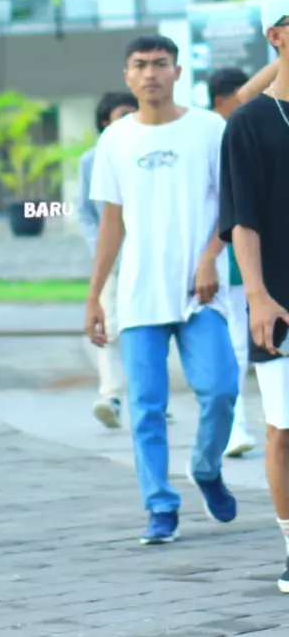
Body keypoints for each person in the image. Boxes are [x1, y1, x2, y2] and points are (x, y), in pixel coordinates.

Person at [86, 33, 239, 545]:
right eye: (140, 65)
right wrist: (94, 295)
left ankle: (206, 468)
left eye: (160, 63)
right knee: (146, 408)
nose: (150, 73)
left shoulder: (209, 129)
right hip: (138, 295)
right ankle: (159, 505)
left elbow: (231, 205)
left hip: (201, 292)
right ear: (127, 75)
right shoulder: (115, 140)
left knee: (221, 390)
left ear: (177, 71)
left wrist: (209, 258)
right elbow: (111, 223)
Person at [219, 0, 289, 592]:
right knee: (284, 430)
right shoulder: (249, 123)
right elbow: (243, 220)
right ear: (276, 35)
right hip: (280, 298)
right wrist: (258, 296)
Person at [77, 91, 138, 428]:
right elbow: (86, 213)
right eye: (121, 115)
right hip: (111, 261)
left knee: (147, 327)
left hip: (145, 257)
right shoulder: (91, 160)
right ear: (105, 122)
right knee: (109, 327)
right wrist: (100, 248)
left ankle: (148, 397)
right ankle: (111, 395)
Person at [208, 68, 258, 457]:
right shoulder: (213, 134)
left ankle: (235, 425)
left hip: (251, 254)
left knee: (241, 345)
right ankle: (234, 425)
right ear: (222, 101)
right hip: (224, 258)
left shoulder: (248, 130)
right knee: (235, 345)